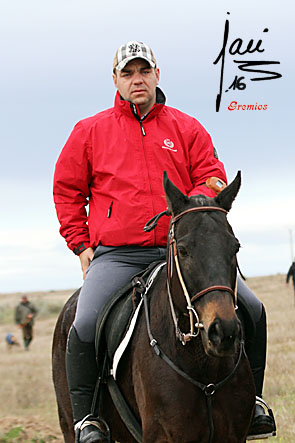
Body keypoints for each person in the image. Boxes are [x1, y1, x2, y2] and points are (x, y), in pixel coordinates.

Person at [53, 41, 275, 442]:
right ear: (116, 81)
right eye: (128, 73)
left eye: (144, 71)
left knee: (254, 310)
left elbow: (211, 173)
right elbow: (67, 191)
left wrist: (194, 207)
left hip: (181, 250)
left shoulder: (186, 127)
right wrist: (81, 244)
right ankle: (88, 420)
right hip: (119, 254)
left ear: (158, 74)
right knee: (83, 323)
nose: (137, 80)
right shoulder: (88, 132)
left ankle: (252, 404)